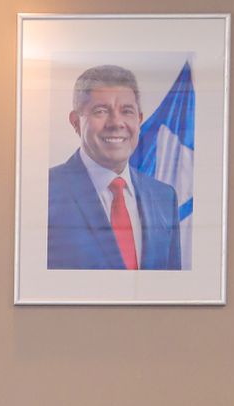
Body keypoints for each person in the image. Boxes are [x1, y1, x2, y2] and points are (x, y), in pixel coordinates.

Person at [47, 65, 182, 271]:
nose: (116, 123)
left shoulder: (165, 197)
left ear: (139, 120)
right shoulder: (47, 192)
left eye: (127, 111)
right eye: (101, 111)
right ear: (76, 122)